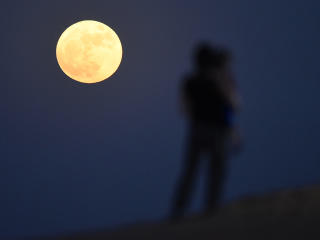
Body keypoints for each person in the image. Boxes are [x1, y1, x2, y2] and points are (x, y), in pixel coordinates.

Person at [171, 43, 241, 219]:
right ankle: (211, 209)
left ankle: (179, 210)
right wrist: (233, 131)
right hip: (217, 130)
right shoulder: (220, 80)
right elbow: (232, 106)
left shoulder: (190, 81)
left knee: (191, 171)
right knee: (216, 171)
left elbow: (184, 109)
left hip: (197, 130)